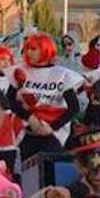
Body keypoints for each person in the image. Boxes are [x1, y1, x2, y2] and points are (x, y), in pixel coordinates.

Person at [7, 33, 83, 162]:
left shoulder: (62, 74)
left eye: (33, 49)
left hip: (52, 135)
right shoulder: (19, 72)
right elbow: (9, 100)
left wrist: (52, 127)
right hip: (26, 134)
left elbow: (74, 108)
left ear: (45, 49)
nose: (29, 52)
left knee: (50, 174)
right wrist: (29, 117)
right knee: (28, 174)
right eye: (27, 48)